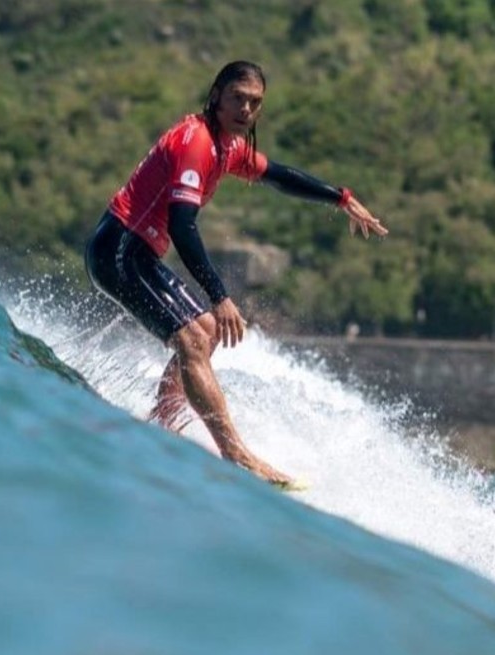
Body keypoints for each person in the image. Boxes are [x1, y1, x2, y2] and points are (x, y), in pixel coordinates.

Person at [85, 60, 388, 489]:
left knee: (205, 334)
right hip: (118, 251)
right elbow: (182, 225)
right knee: (194, 337)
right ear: (216, 96)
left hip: (137, 254)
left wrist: (340, 198)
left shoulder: (227, 147)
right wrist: (220, 295)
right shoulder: (196, 142)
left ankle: (161, 425)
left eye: (255, 103)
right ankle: (236, 455)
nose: (246, 109)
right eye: (237, 99)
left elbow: (279, 176)